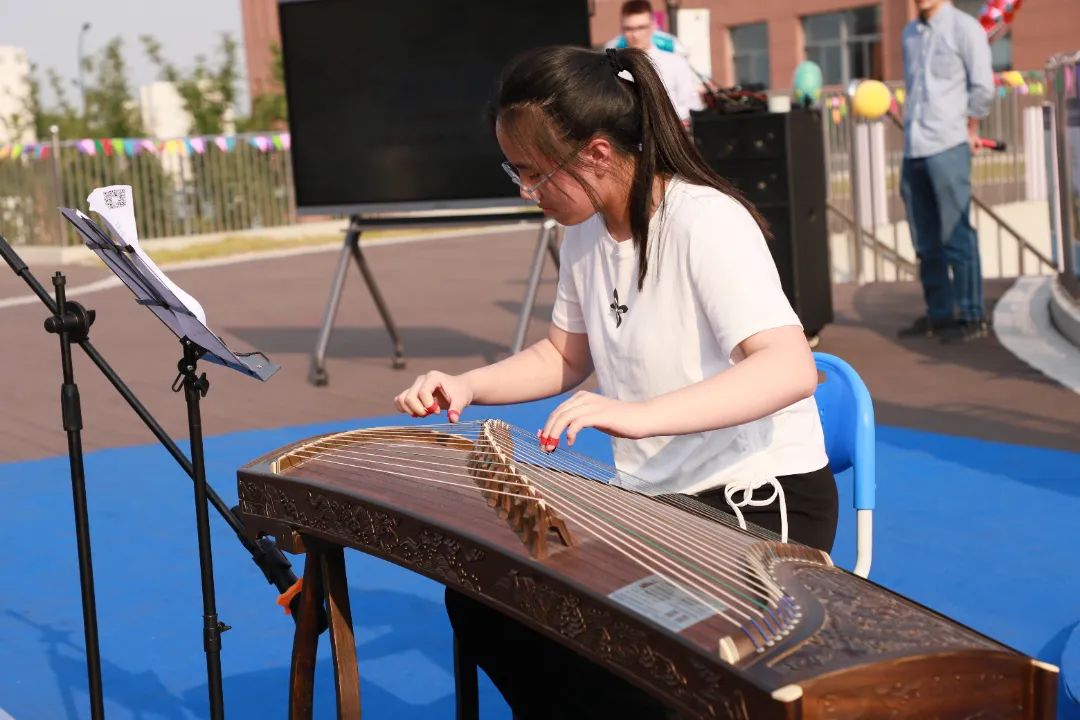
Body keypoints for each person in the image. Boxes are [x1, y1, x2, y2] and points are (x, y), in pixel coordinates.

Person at [392, 45, 837, 719]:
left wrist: (639, 415)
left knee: (629, 655)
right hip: (660, 503)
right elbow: (562, 357)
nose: (528, 191)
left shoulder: (703, 221)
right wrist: (469, 383)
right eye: (516, 173)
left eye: (536, 174)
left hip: (758, 501)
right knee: (489, 600)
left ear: (597, 154)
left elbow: (788, 366)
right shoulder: (583, 233)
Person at [899, 0, 995, 342]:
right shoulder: (909, 34)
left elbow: (983, 87)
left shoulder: (965, 28)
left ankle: (972, 315)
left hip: (949, 145)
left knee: (956, 236)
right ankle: (939, 315)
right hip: (913, 149)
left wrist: (967, 128)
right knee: (925, 241)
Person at [608, 0, 705, 124]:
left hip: (667, 135)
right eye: (629, 29)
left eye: (641, 27)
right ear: (621, 29)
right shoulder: (612, 66)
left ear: (653, 26)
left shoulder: (675, 62)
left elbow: (691, 105)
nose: (635, 35)